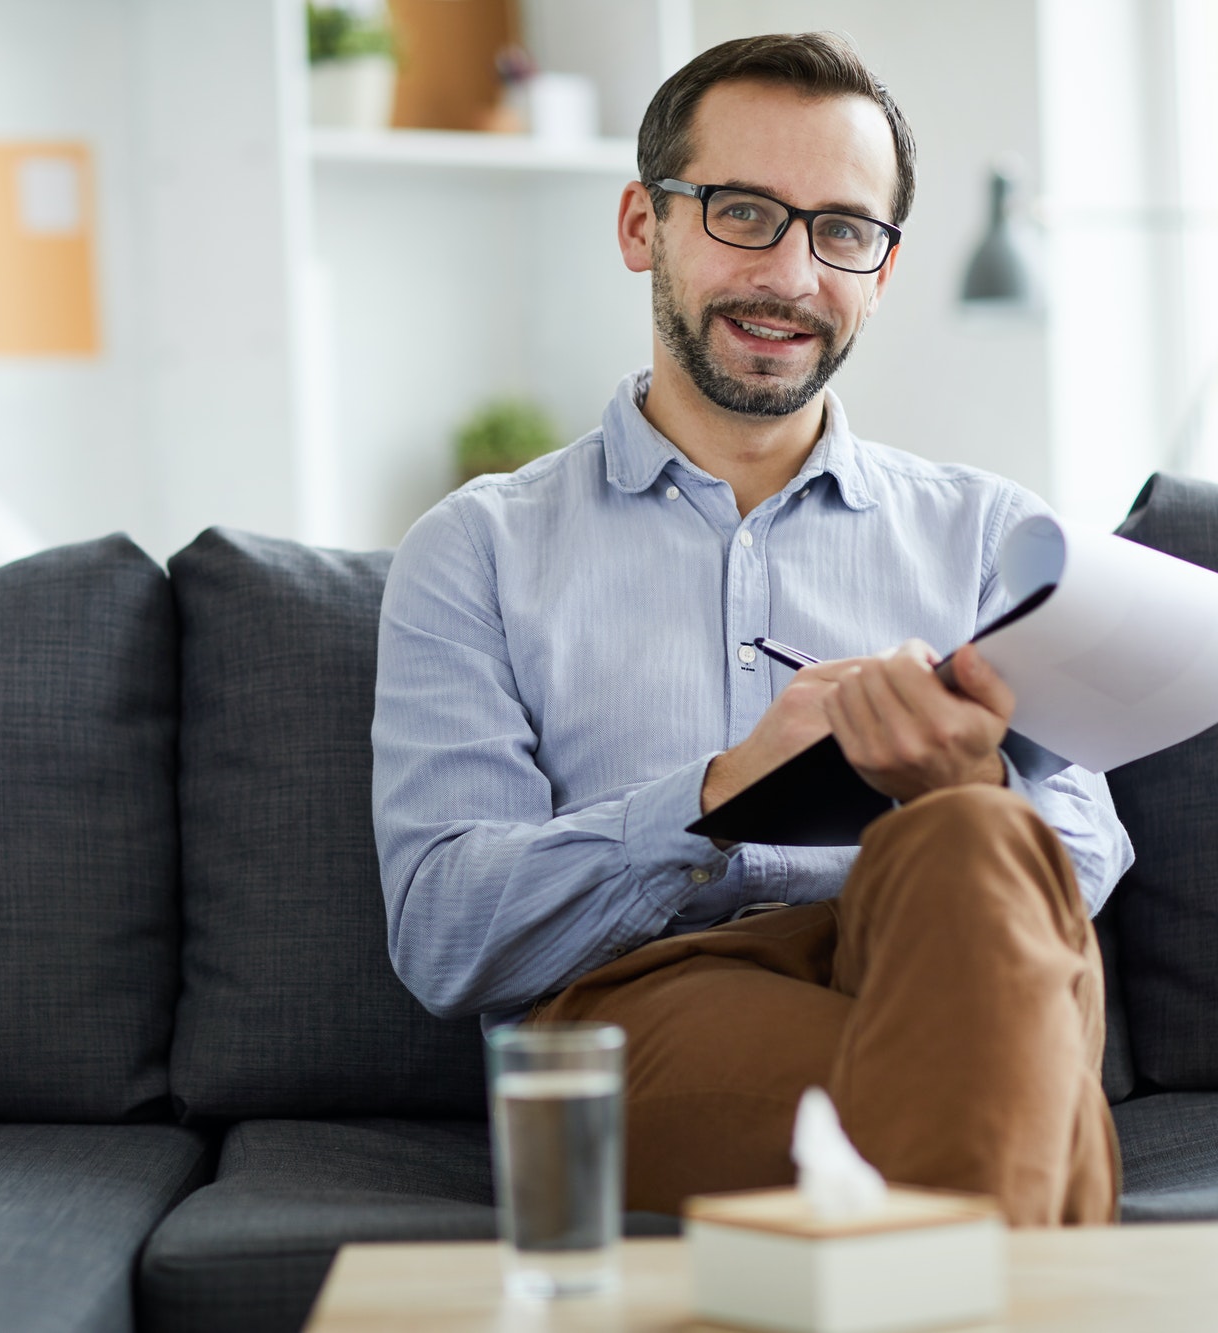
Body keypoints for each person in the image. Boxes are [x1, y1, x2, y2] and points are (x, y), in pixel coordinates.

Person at [371, 31, 1135, 1227]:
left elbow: (1076, 863)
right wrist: (720, 792)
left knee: (975, 843)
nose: (790, 275)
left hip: (940, 945)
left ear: (880, 270)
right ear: (642, 227)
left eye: (840, 231)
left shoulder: (993, 537)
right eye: (741, 212)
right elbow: (442, 933)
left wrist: (966, 782)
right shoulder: (476, 548)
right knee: (1003, 1071)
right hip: (648, 991)